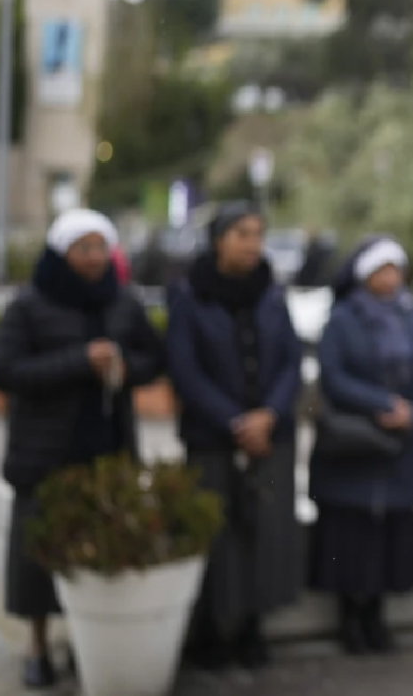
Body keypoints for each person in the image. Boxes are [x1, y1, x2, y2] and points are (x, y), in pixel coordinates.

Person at [0, 210, 163, 689]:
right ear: (62, 252)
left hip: (106, 445)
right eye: (84, 248)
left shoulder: (122, 301)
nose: (94, 257)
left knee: (102, 549)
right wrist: (79, 361)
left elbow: (153, 357)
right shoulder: (29, 304)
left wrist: (123, 366)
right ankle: (37, 645)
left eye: (101, 248)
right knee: (38, 553)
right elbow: (4, 371)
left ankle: (92, 644)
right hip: (45, 450)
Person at [166, 203, 303, 670]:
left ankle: (251, 627)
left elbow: (291, 361)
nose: (252, 244)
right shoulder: (190, 296)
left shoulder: (272, 293)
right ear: (218, 239)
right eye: (242, 234)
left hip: (271, 438)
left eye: (258, 234)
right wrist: (236, 421)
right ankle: (211, 633)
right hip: (213, 439)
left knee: (263, 533)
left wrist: (269, 415)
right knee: (216, 534)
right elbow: (185, 370)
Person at [308, 236, 413, 654]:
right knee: (351, 536)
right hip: (356, 443)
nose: (389, 278)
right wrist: (382, 404)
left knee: (388, 537)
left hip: (401, 443)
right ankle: (350, 617)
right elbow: (333, 376)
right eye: (381, 270)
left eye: (394, 269)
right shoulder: (342, 319)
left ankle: (376, 616)